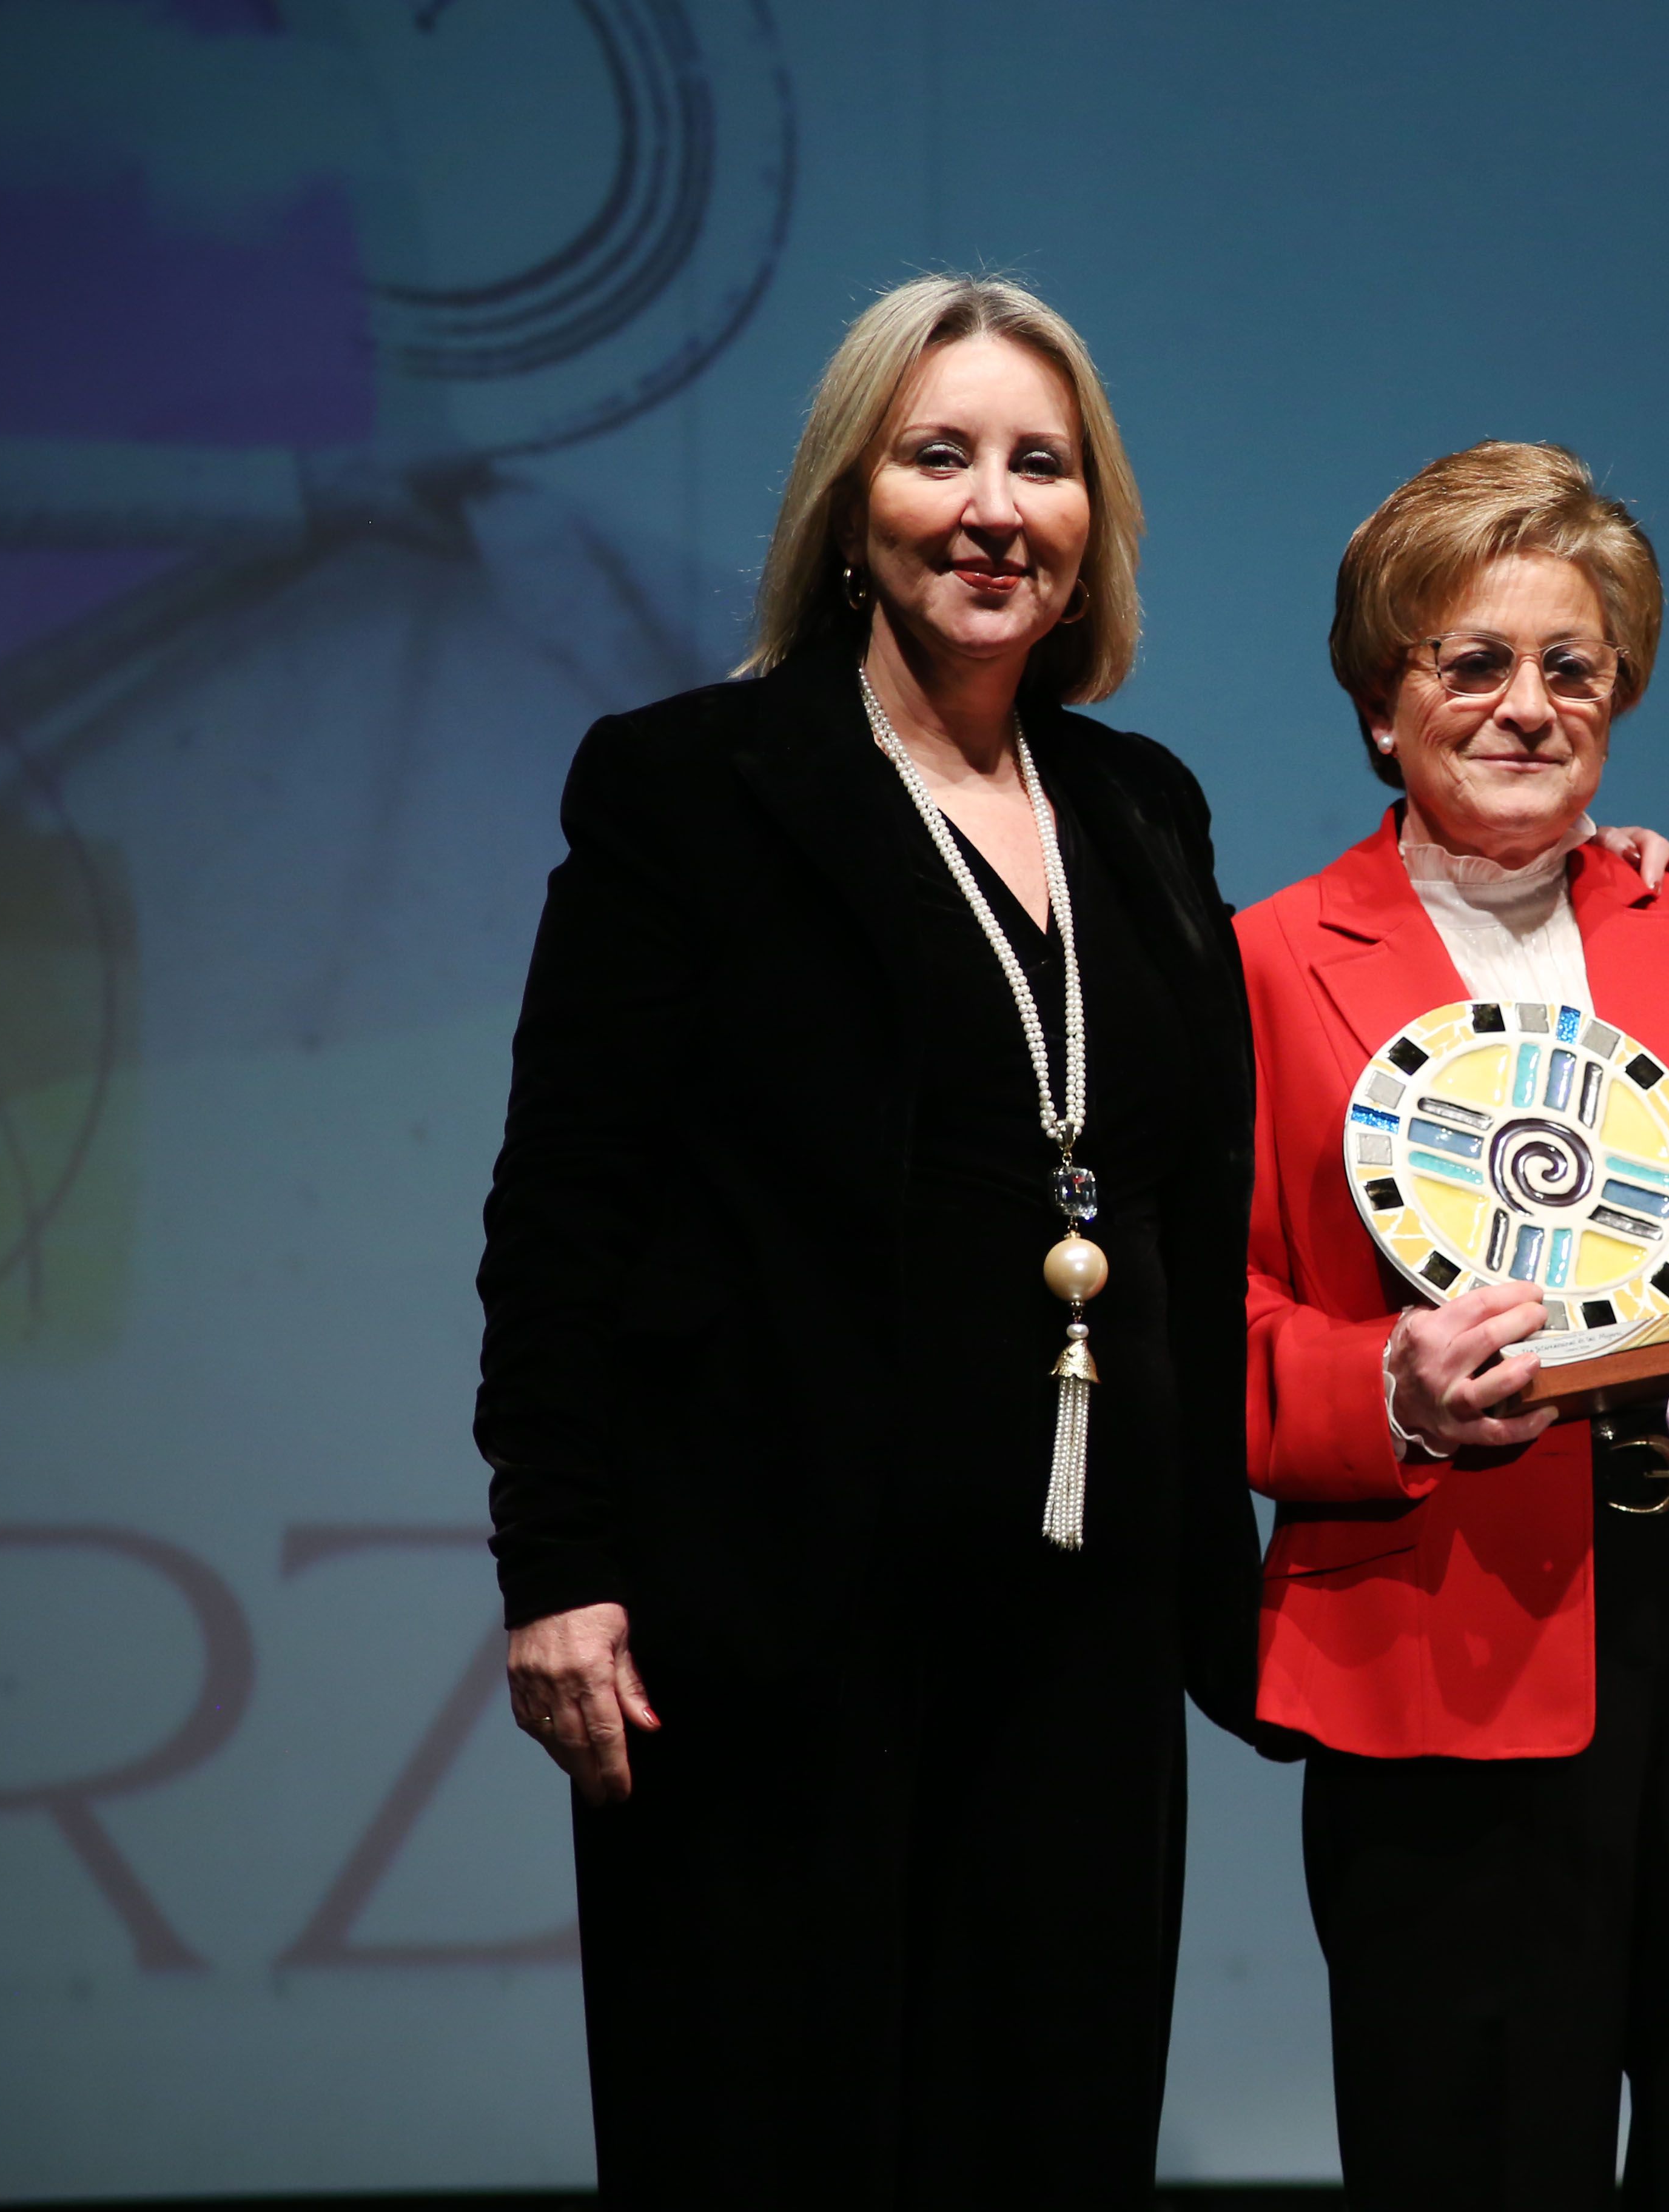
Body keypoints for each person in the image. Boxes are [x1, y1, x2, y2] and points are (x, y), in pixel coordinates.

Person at [473, 275, 1263, 2207]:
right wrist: (558, 1563)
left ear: (1095, 527)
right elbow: (564, 1205)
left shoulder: (1143, 808)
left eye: (1042, 464)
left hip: (1081, 1629)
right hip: (767, 1628)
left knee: (1048, 2139)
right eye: (940, 457)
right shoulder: (688, 785)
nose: (995, 506)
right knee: (769, 2142)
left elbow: (1187, 1184)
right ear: (852, 504)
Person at [1238, 441, 1669, 2212]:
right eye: (1471, 662)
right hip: (1445, 1646)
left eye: (1573, 668)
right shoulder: (1257, 963)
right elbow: (1200, 1323)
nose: (1526, 706)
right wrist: (1377, 1384)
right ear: (1384, 706)